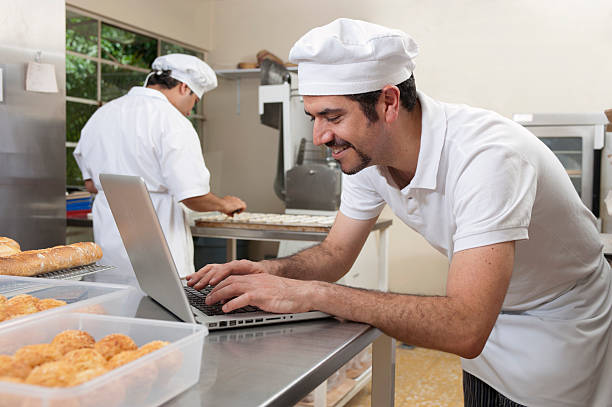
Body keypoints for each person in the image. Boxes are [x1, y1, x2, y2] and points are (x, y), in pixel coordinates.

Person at [186, 19, 612, 406]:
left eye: (332, 116)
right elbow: (335, 254)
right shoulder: (367, 155)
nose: (320, 136)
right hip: (486, 324)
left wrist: (313, 294)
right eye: (313, 117)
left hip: (556, 327)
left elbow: (465, 326)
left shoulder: (487, 158)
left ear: (389, 102)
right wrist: (270, 274)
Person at [74, 53, 246, 289]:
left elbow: (92, 185)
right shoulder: (172, 121)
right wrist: (222, 204)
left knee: (115, 307)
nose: (189, 110)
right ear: (184, 87)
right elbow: (191, 195)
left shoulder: (102, 115)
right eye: (195, 100)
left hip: (110, 242)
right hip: (157, 241)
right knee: (164, 311)